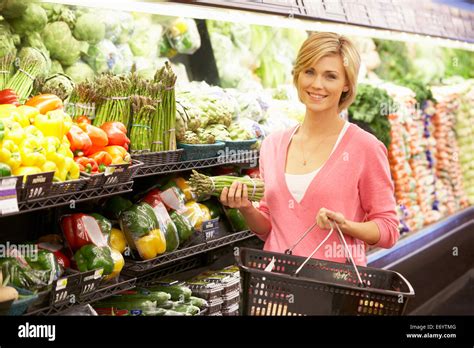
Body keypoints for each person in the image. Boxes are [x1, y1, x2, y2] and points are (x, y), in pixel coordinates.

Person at [220, 32, 399, 266]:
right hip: (276, 289)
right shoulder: (272, 146)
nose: (317, 84)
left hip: (335, 289)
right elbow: (270, 229)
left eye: (330, 76)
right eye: (310, 72)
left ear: (346, 84)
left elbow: (388, 229)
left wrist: (346, 226)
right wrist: (245, 208)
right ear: (298, 75)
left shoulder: (365, 147)